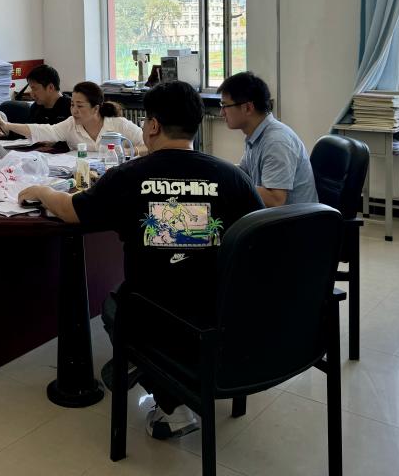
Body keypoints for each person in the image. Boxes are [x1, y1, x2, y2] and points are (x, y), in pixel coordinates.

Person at [18, 81, 263, 440]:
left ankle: (170, 402)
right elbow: (257, 242)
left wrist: (41, 191)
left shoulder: (129, 176)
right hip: (220, 312)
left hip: (153, 313)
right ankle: (162, 372)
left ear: (153, 125)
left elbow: (71, 211)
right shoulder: (233, 177)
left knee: (113, 307)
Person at [217, 71, 318, 207]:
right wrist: (217, 172)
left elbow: (275, 200)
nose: (221, 113)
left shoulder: (276, 141)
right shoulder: (256, 135)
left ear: (248, 108)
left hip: (292, 219)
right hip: (272, 215)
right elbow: (243, 173)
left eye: (225, 106)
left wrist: (228, 184)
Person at [0, 81, 145, 153]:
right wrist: (7, 125)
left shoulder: (119, 124)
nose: (74, 111)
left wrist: (128, 151)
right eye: (72, 105)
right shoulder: (70, 124)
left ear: (96, 108)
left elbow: (150, 144)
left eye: (80, 106)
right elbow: (43, 130)